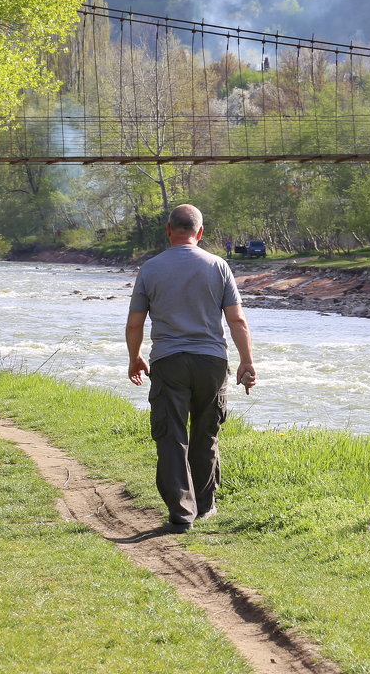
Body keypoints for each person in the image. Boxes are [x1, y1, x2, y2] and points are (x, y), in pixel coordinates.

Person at [125, 205, 256, 534]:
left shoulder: (150, 269)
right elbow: (236, 319)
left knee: (171, 436)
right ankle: (204, 506)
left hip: (168, 361)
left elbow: (135, 322)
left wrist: (135, 357)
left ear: (168, 230)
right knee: (205, 432)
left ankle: (181, 514)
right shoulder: (219, 266)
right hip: (211, 361)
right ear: (200, 233)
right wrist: (247, 361)